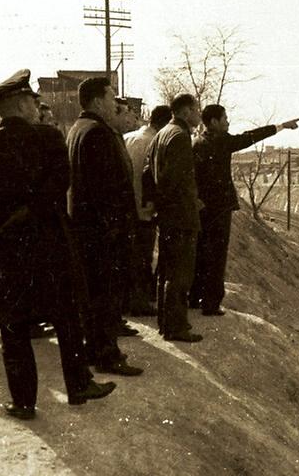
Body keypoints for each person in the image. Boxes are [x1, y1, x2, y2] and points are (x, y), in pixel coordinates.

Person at [0, 69, 115, 419]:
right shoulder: (48, 138)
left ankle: (24, 401)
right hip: (49, 244)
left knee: (14, 327)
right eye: (31, 99)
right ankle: (79, 386)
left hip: (4, 249)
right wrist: (29, 211)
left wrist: (3, 220)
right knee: (66, 316)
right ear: (19, 103)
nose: (35, 105)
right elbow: (60, 182)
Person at [190, 104, 299, 315]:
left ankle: (195, 297)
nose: (228, 122)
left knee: (201, 253)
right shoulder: (220, 141)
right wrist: (281, 126)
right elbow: (250, 137)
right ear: (213, 122)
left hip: (202, 209)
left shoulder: (197, 142)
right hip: (219, 209)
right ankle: (211, 304)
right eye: (224, 119)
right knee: (217, 257)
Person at [67, 77, 143, 376]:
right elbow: (104, 192)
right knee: (106, 297)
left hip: (89, 233)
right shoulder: (98, 133)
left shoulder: (79, 129)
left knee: (94, 297)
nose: (116, 102)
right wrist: (116, 230)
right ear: (98, 101)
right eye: (112, 97)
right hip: (103, 236)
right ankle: (107, 356)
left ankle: (94, 350)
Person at [144, 94, 204, 342]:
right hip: (180, 215)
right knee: (180, 273)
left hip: (168, 215)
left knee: (166, 271)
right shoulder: (180, 137)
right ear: (187, 111)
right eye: (196, 109)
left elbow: (149, 172)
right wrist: (185, 203)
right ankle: (176, 326)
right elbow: (173, 178)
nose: (199, 114)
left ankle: (165, 322)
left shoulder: (161, 134)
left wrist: (155, 203)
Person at [122, 105, 171, 316]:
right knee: (143, 256)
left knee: (128, 256)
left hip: (125, 206)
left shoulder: (128, 137)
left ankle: (128, 299)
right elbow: (151, 177)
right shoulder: (156, 142)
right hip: (144, 207)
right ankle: (139, 301)